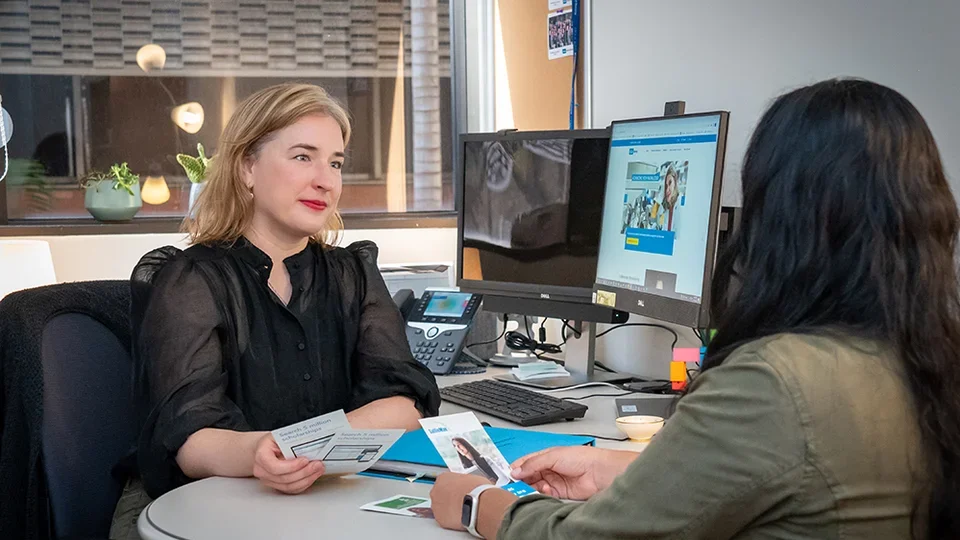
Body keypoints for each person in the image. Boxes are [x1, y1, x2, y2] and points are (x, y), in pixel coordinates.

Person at [429, 78, 960, 539]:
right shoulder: (928, 359)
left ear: (778, 219)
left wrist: (479, 504)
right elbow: (787, 476)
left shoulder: (773, 381)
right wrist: (619, 469)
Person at [110, 83, 441, 539]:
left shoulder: (352, 273)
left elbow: (405, 402)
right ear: (247, 167)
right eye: (303, 157)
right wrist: (264, 452)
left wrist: (306, 446)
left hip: (321, 500)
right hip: (199, 506)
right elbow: (188, 437)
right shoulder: (192, 279)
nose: (326, 180)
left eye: (336, 163)